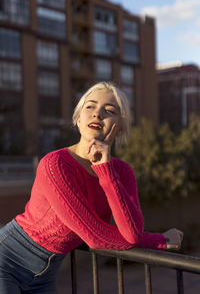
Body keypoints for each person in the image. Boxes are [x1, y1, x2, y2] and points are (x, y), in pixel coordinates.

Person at [0, 82, 183, 293]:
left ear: (121, 126)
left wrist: (105, 169)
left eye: (110, 110)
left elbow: (132, 233)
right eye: (90, 107)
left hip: (47, 274)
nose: (97, 114)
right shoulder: (55, 164)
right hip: (7, 260)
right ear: (79, 119)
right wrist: (159, 240)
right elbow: (95, 237)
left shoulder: (123, 173)